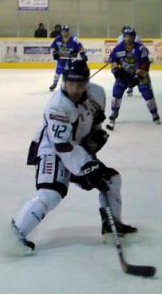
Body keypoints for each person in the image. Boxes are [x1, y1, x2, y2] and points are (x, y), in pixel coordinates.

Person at [11, 60, 137, 252]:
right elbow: (62, 146)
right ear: (64, 82)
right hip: (52, 149)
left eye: (79, 85)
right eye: (70, 84)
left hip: (77, 149)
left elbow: (94, 125)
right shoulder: (57, 106)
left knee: (110, 179)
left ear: (86, 83)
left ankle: (112, 226)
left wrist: (94, 145)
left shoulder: (97, 94)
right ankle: (15, 235)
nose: (74, 89)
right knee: (52, 193)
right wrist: (87, 166)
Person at [107, 27, 160, 129]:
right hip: (125, 75)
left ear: (134, 37)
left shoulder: (141, 49)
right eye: (126, 36)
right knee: (116, 93)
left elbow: (145, 64)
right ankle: (114, 112)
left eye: (130, 36)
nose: (128, 39)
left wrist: (137, 77)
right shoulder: (118, 48)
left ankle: (154, 114)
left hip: (140, 74)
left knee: (147, 93)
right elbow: (113, 60)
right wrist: (116, 71)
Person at [48, 25, 86, 91]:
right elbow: (53, 47)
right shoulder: (58, 39)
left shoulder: (74, 40)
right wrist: (54, 52)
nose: (64, 33)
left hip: (71, 59)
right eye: (62, 31)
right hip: (61, 59)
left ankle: (69, 84)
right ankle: (54, 83)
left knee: (70, 72)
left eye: (65, 31)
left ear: (68, 32)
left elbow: (81, 48)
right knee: (58, 71)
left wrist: (82, 55)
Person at [116, 25, 142, 97]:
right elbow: (118, 48)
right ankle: (125, 85)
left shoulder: (136, 38)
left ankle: (131, 86)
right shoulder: (120, 38)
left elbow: (139, 47)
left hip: (134, 58)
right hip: (124, 58)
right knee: (122, 72)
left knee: (134, 72)